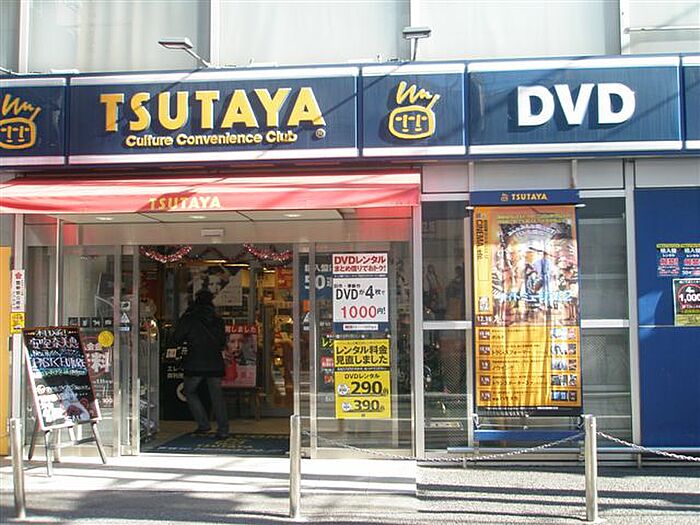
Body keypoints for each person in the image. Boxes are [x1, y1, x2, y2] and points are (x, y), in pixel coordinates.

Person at [172, 289, 229, 438]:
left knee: (189, 391)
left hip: (195, 362)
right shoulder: (217, 320)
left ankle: (203, 424)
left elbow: (177, 337)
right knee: (217, 396)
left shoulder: (190, 318)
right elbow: (222, 342)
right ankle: (223, 429)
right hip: (215, 362)